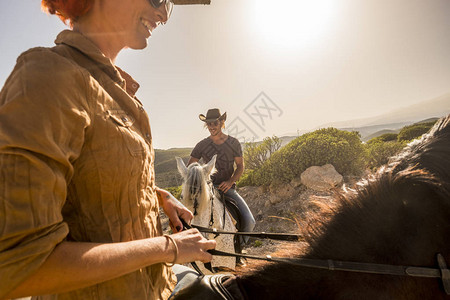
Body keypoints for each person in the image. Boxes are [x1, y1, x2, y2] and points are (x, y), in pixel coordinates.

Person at [0, 0, 216, 299]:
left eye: (168, 3)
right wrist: (170, 247)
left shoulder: (112, 86)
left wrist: (159, 197)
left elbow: (90, 183)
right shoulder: (48, 75)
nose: (164, 14)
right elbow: (19, 267)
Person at [188, 108, 256, 250]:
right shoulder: (202, 145)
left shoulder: (233, 143)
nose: (212, 127)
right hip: (207, 190)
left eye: (215, 123)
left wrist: (230, 181)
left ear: (222, 122)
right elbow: (191, 167)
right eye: (209, 124)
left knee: (249, 221)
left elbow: (240, 166)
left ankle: (238, 250)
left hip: (227, 189)